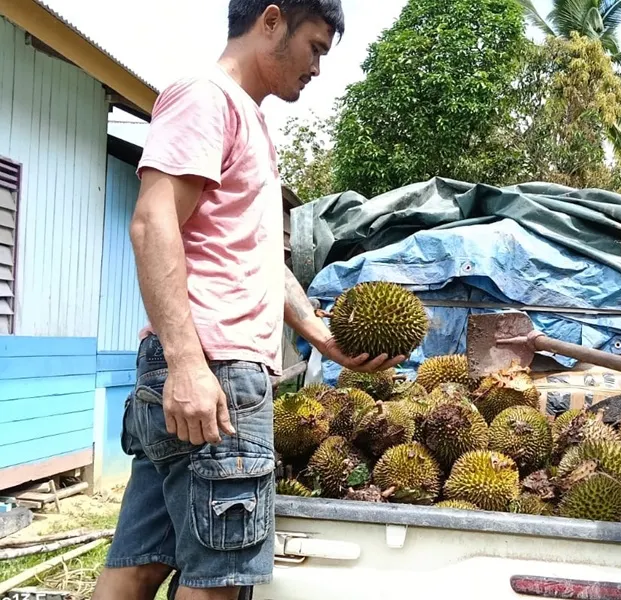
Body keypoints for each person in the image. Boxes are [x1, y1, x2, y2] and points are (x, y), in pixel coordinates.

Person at [93, 2, 406, 599]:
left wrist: (315, 330)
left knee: (140, 564)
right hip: (216, 373)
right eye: (314, 46)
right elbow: (152, 222)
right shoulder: (205, 96)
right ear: (270, 21)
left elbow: (258, 256)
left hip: (203, 371)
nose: (317, 68)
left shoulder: (249, 120)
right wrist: (188, 364)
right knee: (218, 580)